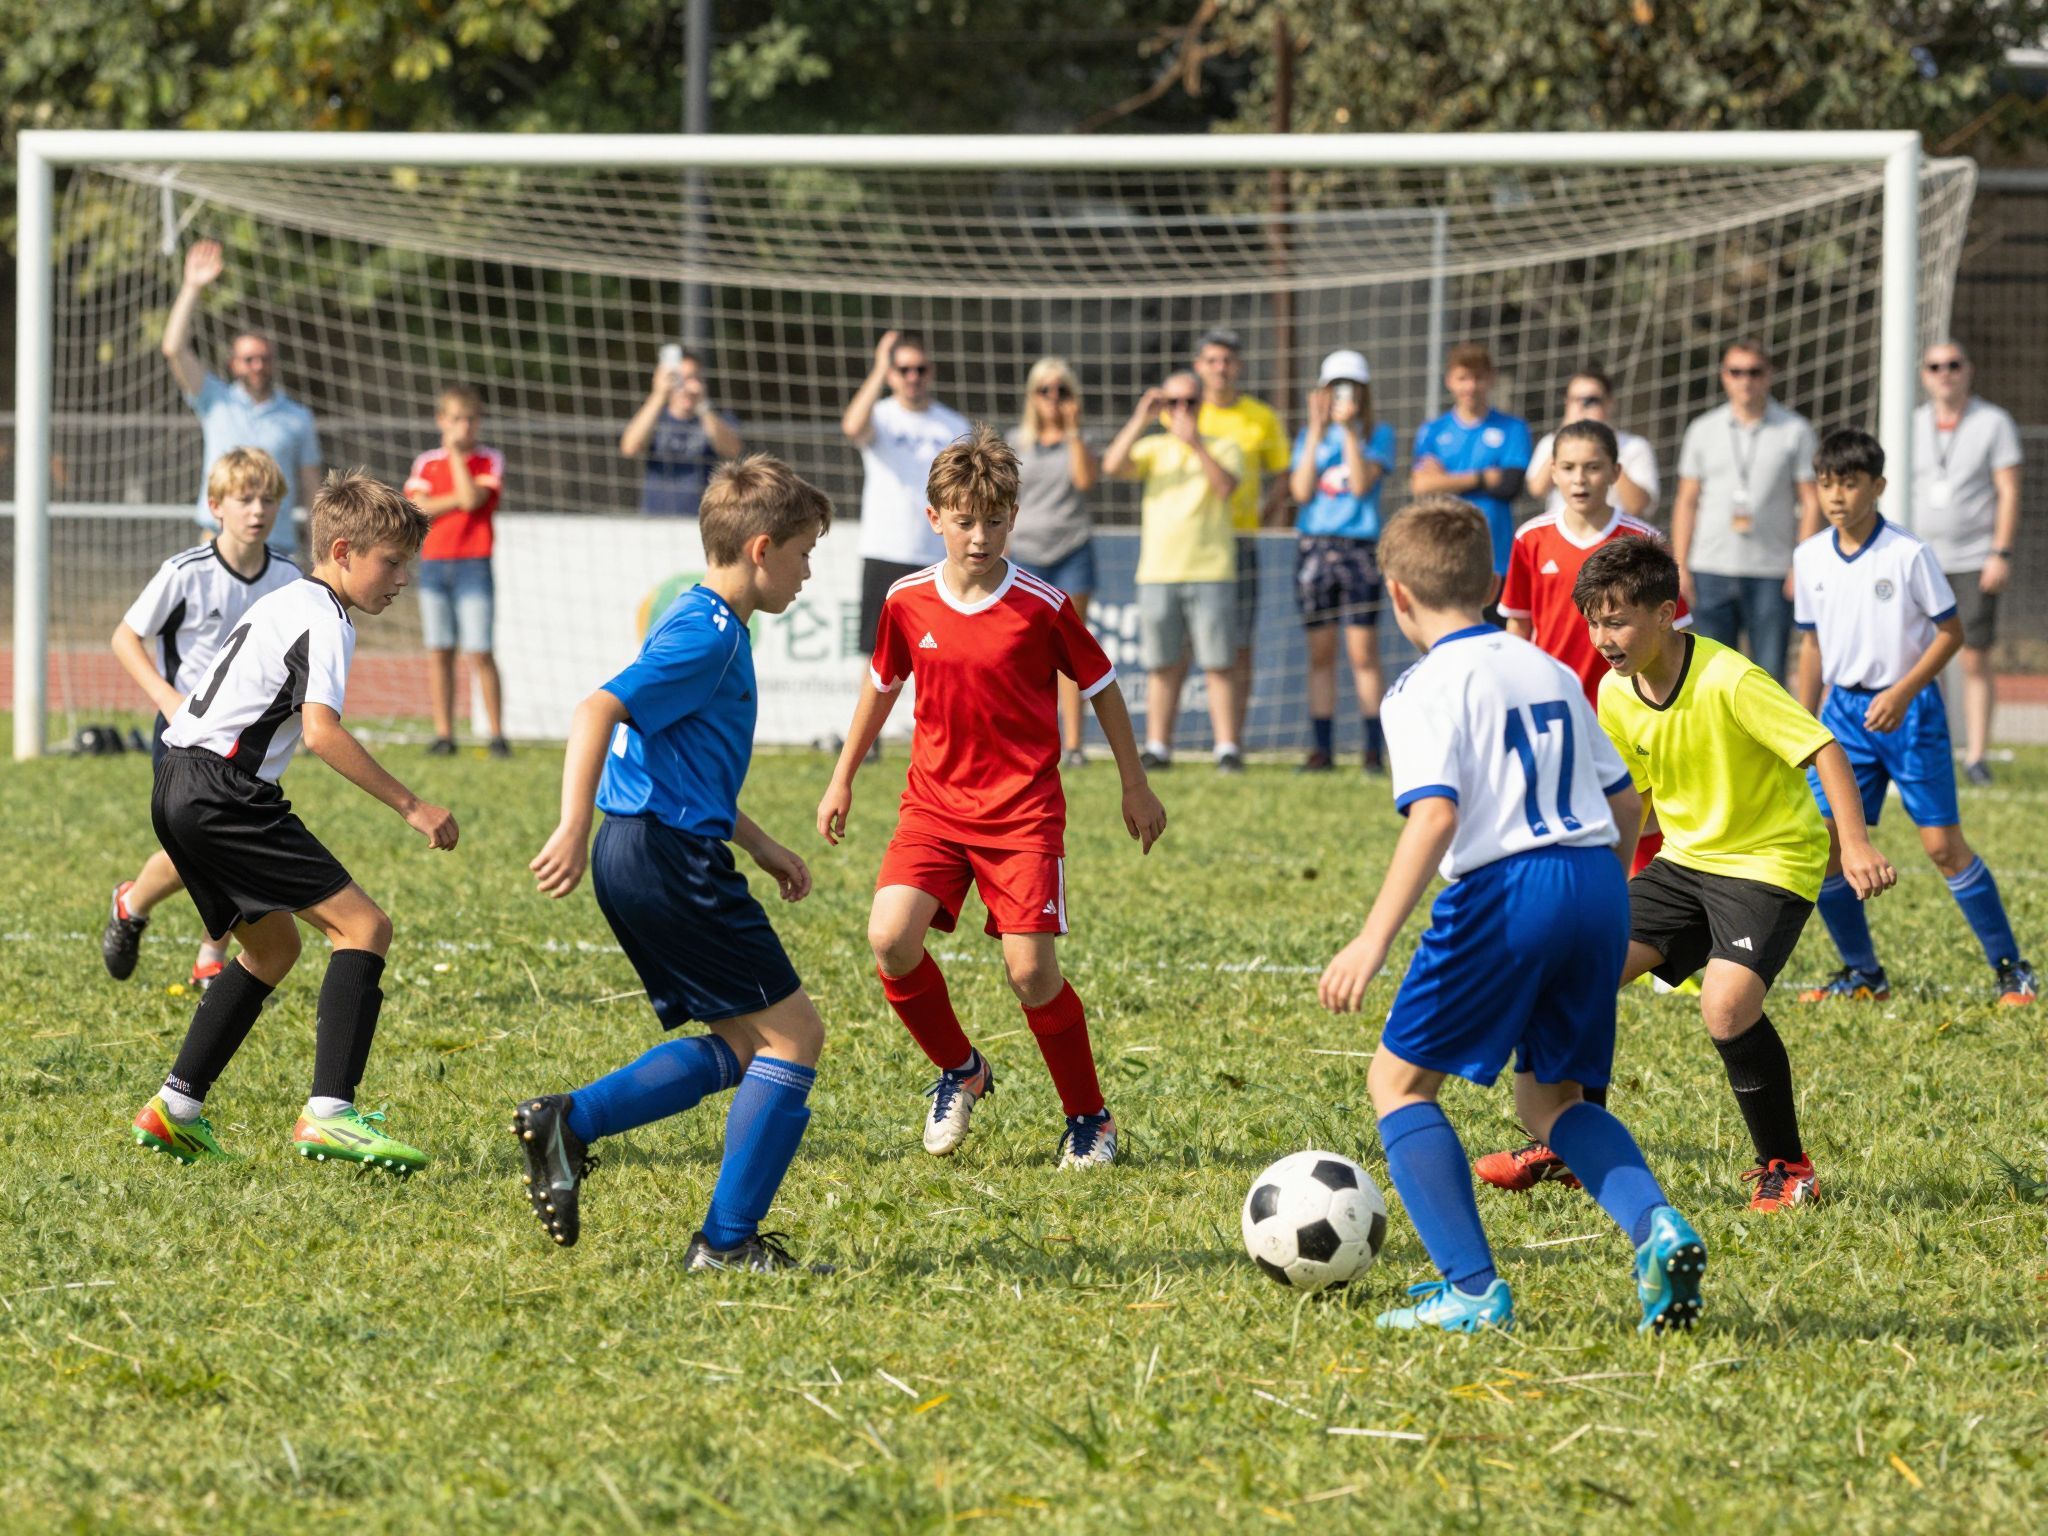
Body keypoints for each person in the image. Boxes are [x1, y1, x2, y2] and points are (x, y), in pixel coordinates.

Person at [1316, 497, 1706, 1335]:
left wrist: (1372, 939)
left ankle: (1470, 1290)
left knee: (1397, 1083)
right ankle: (1658, 1226)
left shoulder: (1420, 689)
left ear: (1397, 596)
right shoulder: (1549, 669)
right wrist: (1600, 897)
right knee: (1550, 1101)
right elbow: (1623, 800)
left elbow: (1436, 815)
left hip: (1507, 890)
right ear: (1496, 583)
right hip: (1596, 883)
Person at [1475, 537, 1896, 1210]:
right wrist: (1602, 887)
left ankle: (1789, 1168)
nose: (1602, 638)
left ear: (1666, 613)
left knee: (1726, 1007)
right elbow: (1635, 800)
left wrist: (1855, 845)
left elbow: (1823, 747)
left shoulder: (1729, 679)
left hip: (1769, 860)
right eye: (1593, 622)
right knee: (1577, 974)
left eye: (1617, 621)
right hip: (1685, 861)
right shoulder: (1615, 692)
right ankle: (1574, 1143)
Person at [817, 426, 1166, 1171]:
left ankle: (1090, 1119)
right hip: (933, 808)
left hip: (1022, 816)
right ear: (934, 517)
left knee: (1031, 974)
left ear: (1013, 519)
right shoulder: (907, 600)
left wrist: (1134, 783)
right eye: (964, 520)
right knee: (890, 939)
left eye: (994, 520)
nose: (979, 537)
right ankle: (961, 1069)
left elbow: (1101, 686)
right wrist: (843, 776)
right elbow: (882, 685)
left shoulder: (1042, 605)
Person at [518, 457, 835, 1272]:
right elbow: (597, 709)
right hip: (666, 856)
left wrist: (759, 844)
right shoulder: (709, 635)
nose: (808, 573)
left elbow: (682, 762)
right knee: (795, 1037)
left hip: (642, 849)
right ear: (762, 549)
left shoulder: (695, 617)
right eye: (804, 553)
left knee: (744, 1043)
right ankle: (726, 1244)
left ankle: (570, 1123)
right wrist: (570, 824)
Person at [129, 471, 457, 1174]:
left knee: (273, 950)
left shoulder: (285, 598)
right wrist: (413, 805)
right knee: (365, 928)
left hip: (177, 781)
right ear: (342, 551)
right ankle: (331, 1115)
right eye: (391, 562)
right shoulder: (328, 618)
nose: (402, 578)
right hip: (224, 793)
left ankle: (175, 1109)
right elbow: (321, 732)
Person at [1792, 429, 2036, 1006]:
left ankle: (2011, 968)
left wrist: (1902, 692)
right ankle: (1863, 974)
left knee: (1942, 846)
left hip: (1910, 710)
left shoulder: (1908, 553)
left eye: (1849, 483)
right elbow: (1811, 645)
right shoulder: (1809, 556)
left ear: (1877, 486)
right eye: (1826, 484)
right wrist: (1802, 722)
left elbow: (1951, 633)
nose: (1836, 496)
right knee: (1824, 842)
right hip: (1843, 717)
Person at [101, 448, 303, 992]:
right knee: (195, 847)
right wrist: (168, 699)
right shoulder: (185, 572)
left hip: (249, 741)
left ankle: (210, 956)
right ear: (215, 506)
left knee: (229, 844)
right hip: (185, 736)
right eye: (245, 499)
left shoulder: (288, 577)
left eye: (268, 499)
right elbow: (125, 638)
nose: (258, 510)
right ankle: (133, 903)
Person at [1496, 419, 1688, 876]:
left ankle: (1640, 902)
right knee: (1557, 816)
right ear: (1552, 473)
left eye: (1593, 467)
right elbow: (1518, 626)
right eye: (1568, 467)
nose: (1580, 479)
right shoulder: (1530, 538)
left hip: (1628, 710)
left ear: (1616, 472)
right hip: (1555, 707)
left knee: (1637, 816)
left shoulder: (1643, 542)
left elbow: (1675, 633)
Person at [1101, 372, 1246, 772]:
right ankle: (1158, 747)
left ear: (1202, 405)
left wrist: (1196, 444)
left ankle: (1227, 749)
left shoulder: (1224, 446)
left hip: (1212, 570)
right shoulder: (1152, 448)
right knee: (1161, 665)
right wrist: (1140, 418)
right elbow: (1111, 465)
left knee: (1218, 664)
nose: (1182, 410)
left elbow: (1225, 488)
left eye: (1190, 402)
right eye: (1173, 402)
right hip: (1158, 571)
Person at [1670, 341, 1821, 683]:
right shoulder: (1702, 429)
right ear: (1724, 376)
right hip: (1710, 567)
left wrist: (1801, 564)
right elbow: (1686, 500)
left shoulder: (1795, 430)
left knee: (1769, 675)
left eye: (1754, 372)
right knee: (1710, 675)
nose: (1745, 380)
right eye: (1736, 372)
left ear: (1769, 375)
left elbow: (1811, 501)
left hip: (1772, 570)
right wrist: (1681, 565)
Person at [161, 239, 323, 558]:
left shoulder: (298, 417)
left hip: (277, 549)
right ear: (234, 364)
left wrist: (320, 548)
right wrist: (192, 287)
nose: (257, 365)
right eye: (249, 359)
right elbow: (173, 349)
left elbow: (311, 488)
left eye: (264, 358)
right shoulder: (214, 400)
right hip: (218, 543)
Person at [1911, 342, 2023, 784]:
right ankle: (1932, 751)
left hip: (1974, 559)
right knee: (1923, 661)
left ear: (1968, 370)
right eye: (1935, 366)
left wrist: (2000, 552)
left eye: (1953, 365)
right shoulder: (1909, 423)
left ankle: (1976, 755)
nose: (1945, 373)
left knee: (1974, 658)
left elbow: (2008, 491)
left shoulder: (1993, 422)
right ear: (1924, 374)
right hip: (1920, 562)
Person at [1288, 348, 1396, 773]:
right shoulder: (1308, 435)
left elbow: (1361, 484)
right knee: (1321, 653)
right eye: (1334, 387)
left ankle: (1372, 751)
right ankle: (1322, 750)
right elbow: (1300, 491)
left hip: (1359, 548)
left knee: (1363, 653)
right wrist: (1317, 432)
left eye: (1349, 387)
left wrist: (1349, 432)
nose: (1341, 395)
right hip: (1315, 547)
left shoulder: (1378, 434)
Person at [842, 330, 971, 664]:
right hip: (886, 549)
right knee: (878, 655)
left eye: (920, 369)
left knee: (939, 654)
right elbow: (852, 427)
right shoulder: (880, 415)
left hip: (938, 554)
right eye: (903, 369)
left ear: (931, 371)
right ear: (891, 374)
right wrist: (878, 368)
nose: (913, 377)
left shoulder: (953, 424)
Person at [1192, 328, 1292, 747]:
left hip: (1239, 541)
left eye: (1228, 361)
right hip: (1190, 542)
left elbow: (1284, 473)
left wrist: (1264, 514)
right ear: (1199, 367)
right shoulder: (1183, 410)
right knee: (1182, 646)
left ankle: (1232, 742)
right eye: (1212, 360)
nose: (1221, 368)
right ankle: (1162, 744)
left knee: (1239, 644)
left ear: (1239, 367)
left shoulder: (1261, 416)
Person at [405, 386, 510, 757]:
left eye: (470, 419)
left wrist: (454, 460)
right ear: (441, 421)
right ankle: (444, 734)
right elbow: (417, 509)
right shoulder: (425, 462)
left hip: (474, 563)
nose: (463, 427)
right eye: (455, 419)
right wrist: (449, 500)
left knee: (480, 651)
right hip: (434, 563)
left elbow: (471, 498)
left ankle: (496, 735)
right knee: (440, 651)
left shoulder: (488, 460)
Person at [1007, 357, 1100, 768]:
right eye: (1045, 390)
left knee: (1071, 649)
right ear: (1032, 396)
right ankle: (1025, 741)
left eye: (1062, 390)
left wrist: (1074, 431)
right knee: (1024, 651)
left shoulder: (1082, 440)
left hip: (1071, 550)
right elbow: (1004, 500)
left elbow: (1085, 481)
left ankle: (1074, 745)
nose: (1053, 398)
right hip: (1026, 553)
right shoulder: (1016, 442)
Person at [1409, 343, 1532, 578]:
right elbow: (1421, 486)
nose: (1471, 386)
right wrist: (1482, 478)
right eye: (1463, 378)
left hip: (1494, 556)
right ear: (1449, 381)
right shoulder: (1433, 430)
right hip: (1442, 551)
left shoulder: (1514, 428)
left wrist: (1444, 480)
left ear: (1491, 379)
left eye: (1478, 378)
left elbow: (1509, 486)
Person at [619, 348, 745, 517]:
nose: (686, 386)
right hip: (655, 519)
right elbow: (629, 448)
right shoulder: (655, 417)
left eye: (692, 377)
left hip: (704, 518)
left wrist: (702, 406)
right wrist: (659, 394)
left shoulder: (717, 416)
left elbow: (733, 450)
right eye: (680, 378)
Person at [1525, 369, 1659, 519]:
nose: (1582, 407)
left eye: (1591, 400)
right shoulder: (1550, 442)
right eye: (1575, 400)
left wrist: (1605, 447)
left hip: (1617, 531)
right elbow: (1537, 489)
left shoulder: (1635, 446)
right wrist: (1563, 437)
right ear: (1566, 404)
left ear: (1609, 403)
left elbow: (1637, 506)